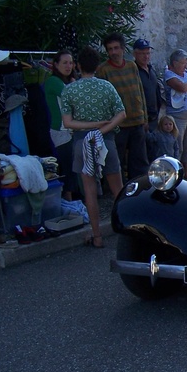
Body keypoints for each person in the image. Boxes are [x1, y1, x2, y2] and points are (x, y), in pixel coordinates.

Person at [60, 46, 126, 249]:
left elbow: (68, 122)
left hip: (81, 141)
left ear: (78, 66)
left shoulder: (69, 90)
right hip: (105, 140)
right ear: (97, 66)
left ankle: (97, 236)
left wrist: (90, 126)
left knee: (89, 190)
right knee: (118, 188)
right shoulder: (107, 87)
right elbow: (121, 114)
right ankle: (130, 230)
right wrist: (103, 128)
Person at [96, 32, 149, 180]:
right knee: (117, 160)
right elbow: (102, 99)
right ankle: (118, 192)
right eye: (110, 49)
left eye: (116, 48)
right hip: (118, 124)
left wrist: (144, 117)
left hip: (137, 121)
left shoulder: (132, 66)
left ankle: (140, 189)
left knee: (139, 160)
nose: (113, 52)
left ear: (123, 49)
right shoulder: (103, 70)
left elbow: (140, 91)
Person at [163, 49, 187, 179]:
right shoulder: (169, 75)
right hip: (177, 115)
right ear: (174, 63)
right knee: (177, 146)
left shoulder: (185, 72)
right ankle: (176, 175)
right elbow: (183, 87)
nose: (186, 66)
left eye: (186, 63)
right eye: (183, 63)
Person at [44, 49, 77, 200]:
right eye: (64, 63)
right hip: (61, 131)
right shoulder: (53, 82)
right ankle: (67, 198)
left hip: (71, 129)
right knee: (68, 166)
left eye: (70, 63)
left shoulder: (67, 82)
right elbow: (72, 97)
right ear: (56, 65)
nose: (68, 66)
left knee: (74, 165)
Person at [132, 38, 163, 132]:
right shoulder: (133, 72)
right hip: (141, 121)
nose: (146, 56)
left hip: (154, 118)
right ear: (135, 54)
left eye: (148, 53)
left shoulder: (151, 69)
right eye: (142, 53)